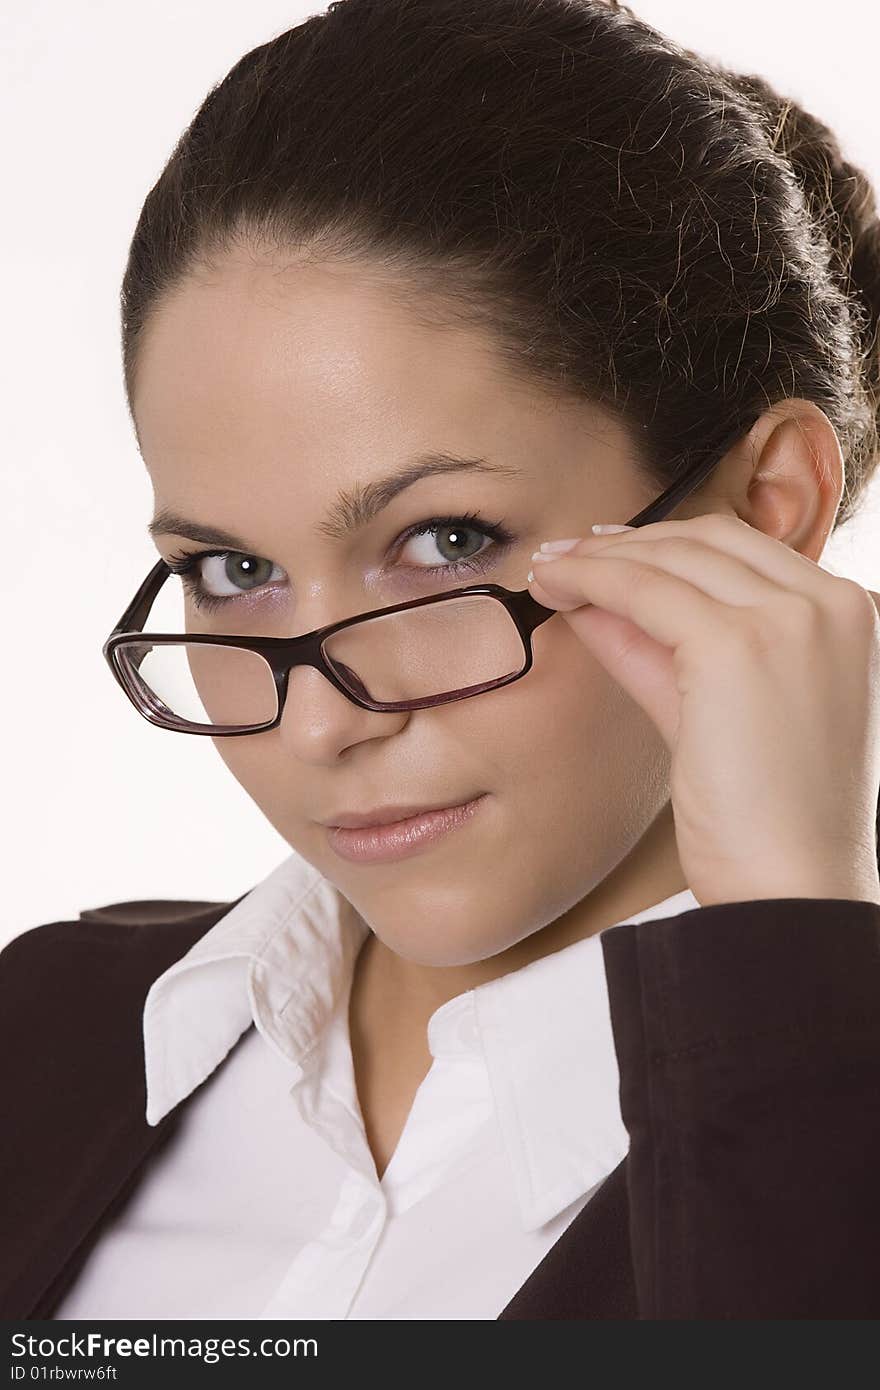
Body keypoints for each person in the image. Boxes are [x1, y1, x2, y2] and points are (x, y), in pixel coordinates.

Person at [3, 0, 880, 1321]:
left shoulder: (840, 1135)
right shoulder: (48, 1034)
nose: (316, 728)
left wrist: (790, 948)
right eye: (231, 572)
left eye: (442, 540)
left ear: (768, 509)